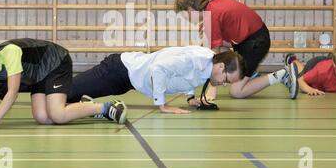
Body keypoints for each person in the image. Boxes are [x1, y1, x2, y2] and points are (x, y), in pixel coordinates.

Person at [0, 37, 127, 130]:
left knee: (58, 114)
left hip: (55, 62)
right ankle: (83, 107)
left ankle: (107, 107)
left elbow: (12, 92)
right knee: (43, 118)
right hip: (38, 75)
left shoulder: (10, 52)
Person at [174, 0, 299, 100]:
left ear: (190, 10)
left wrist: (212, 88)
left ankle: (282, 74)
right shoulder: (214, 6)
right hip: (250, 40)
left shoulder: (210, 16)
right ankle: (250, 72)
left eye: (185, 16)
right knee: (209, 46)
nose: (187, 19)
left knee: (236, 91)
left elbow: (214, 56)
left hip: (256, 42)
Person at [68, 46, 246, 114]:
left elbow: (187, 76)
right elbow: (158, 69)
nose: (223, 84)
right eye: (226, 80)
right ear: (221, 67)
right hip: (118, 70)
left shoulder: (208, 65)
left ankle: (84, 104)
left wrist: (190, 97)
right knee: (66, 93)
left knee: (71, 97)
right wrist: (162, 105)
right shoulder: (194, 60)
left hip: (127, 80)